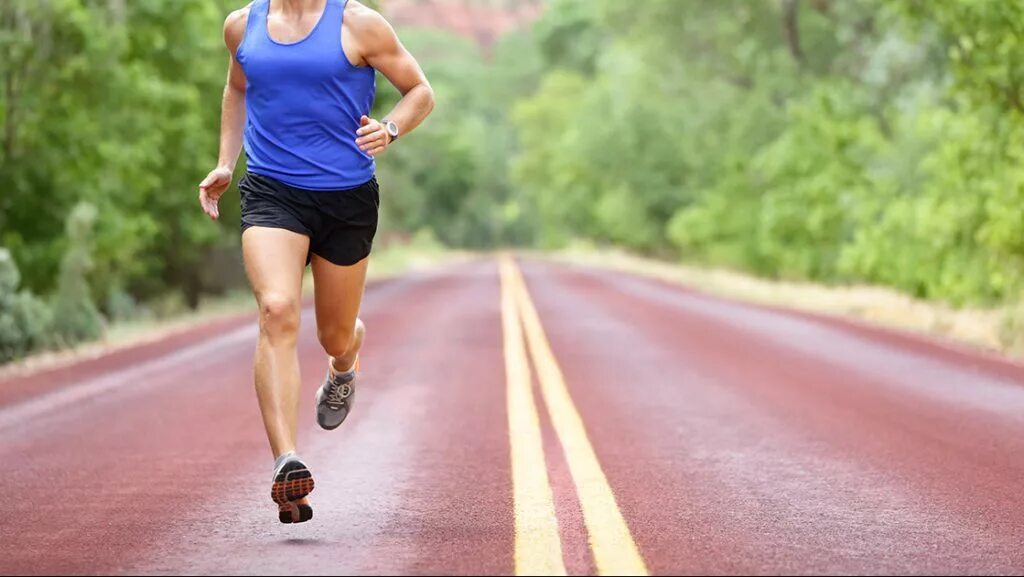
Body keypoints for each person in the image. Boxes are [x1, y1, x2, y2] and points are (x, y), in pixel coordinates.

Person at [197, 0, 434, 524]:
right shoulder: (243, 26)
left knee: (333, 335)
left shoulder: (359, 24)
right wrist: (224, 162)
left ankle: (345, 362)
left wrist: (390, 129)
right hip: (270, 191)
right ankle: (287, 462)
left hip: (346, 198)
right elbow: (237, 89)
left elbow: (420, 91)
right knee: (277, 310)